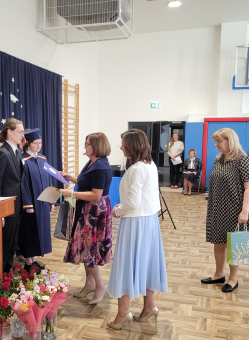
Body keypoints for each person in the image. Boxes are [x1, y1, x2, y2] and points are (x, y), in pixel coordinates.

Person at [106, 129, 168, 329]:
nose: (121, 147)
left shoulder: (135, 169)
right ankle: (149, 307)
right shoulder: (150, 164)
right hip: (149, 221)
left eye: (123, 144)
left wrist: (117, 211)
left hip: (135, 223)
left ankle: (123, 313)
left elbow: (132, 204)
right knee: (148, 264)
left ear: (132, 146)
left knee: (126, 265)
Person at [59, 132, 113, 305]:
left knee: (90, 250)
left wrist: (71, 193)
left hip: (94, 213)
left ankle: (100, 285)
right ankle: (89, 284)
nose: (85, 146)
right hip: (88, 210)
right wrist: (71, 178)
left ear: (96, 146)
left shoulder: (100, 166)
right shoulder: (93, 163)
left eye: (87, 143)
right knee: (84, 247)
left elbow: (96, 194)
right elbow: (87, 184)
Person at [201, 127, 249, 293]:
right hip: (218, 207)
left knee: (234, 245)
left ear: (230, 141)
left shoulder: (242, 159)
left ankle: (233, 278)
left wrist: (245, 211)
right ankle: (219, 274)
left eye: (219, 141)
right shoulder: (219, 160)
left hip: (235, 209)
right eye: (215, 141)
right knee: (218, 242)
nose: (216, 144)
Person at [0, 118, 25, 273]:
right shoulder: (3, 153)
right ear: (9, 132)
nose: (22, 135)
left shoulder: (16, 152)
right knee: (4, 246)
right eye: (20, 132)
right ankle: (0, 275)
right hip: (6, 209)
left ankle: (7, 275)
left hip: (16, 206)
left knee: (11, 245)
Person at [17, 128, 55, 271]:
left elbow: (49, 180)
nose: (38, 146)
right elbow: (24, 185)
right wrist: (28, 204)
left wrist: (51, 200)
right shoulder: (23, 161)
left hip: (43, 203)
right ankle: (28, 262)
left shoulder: (43, 159)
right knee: (30, 232)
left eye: (40, 143)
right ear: (28, 143)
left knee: (40, 232)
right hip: (31, 204)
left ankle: (34, 260)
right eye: (35, 143)